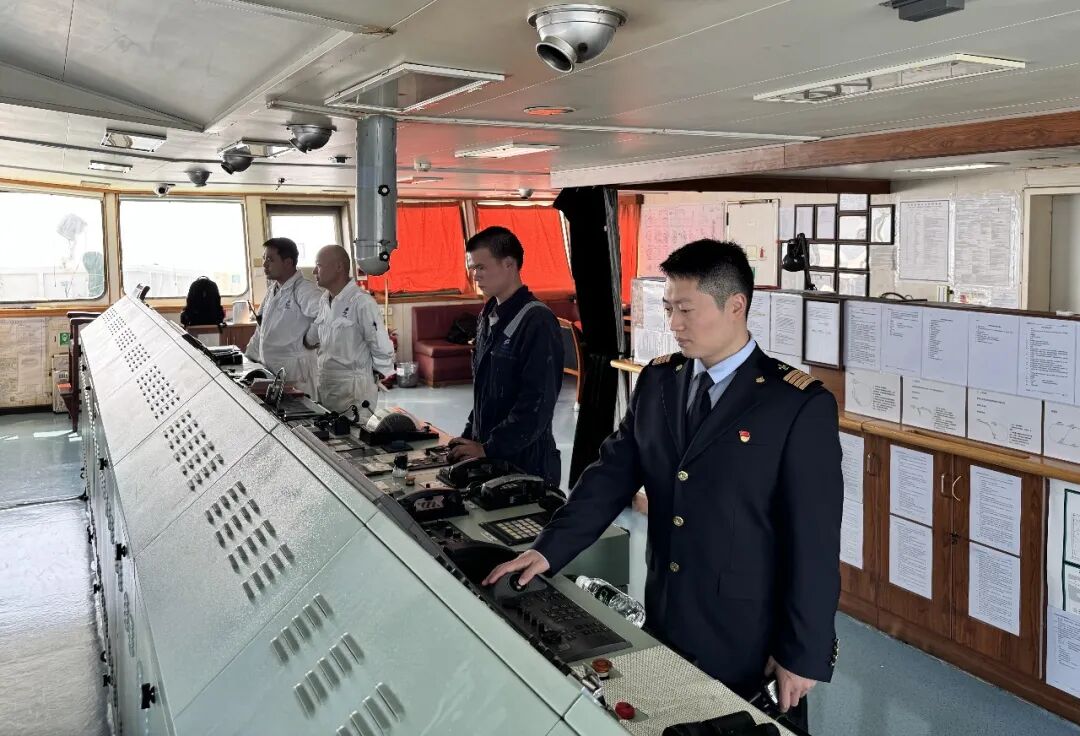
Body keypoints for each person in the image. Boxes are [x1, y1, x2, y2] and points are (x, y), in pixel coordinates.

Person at [484, 240, 843, 730]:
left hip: (748, 637)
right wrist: (547, 550)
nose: (674, 324)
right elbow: (608, 477)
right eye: (669, 308)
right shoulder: (660, 381)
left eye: (686, 310)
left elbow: (814, 540)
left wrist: (802, 651)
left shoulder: (795, 404)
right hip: (667, 613)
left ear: (735, 305)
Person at [448, 226, 564, 485]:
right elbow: (484, 392)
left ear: (509, 264)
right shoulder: (487, 317)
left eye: (481, 267)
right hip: (489, 456)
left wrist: (489, 448)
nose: (475, 276)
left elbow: (536, 406)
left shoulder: (538, 321)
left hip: (525, 463)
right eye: (472, 268)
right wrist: (468, 438)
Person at [305, 244, 395, 413]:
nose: (314, 271)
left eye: (319, 265)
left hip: (353, 391)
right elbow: (313, 337)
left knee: (354, 430)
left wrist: (376, 374)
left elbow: (381, 346)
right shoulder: (324, 300)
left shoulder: (362, 302)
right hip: (327, 385)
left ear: (339, 267)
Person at [243, 237, 321, 396]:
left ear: (288, 262)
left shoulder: (304, 289)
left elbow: (325, 315)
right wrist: (248, 360)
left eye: (270, 260)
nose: (265, 264)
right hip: (271, 371)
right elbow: (261, 330)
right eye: (264, 259)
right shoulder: (273, 290)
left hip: (296, 374)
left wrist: (310, 340)